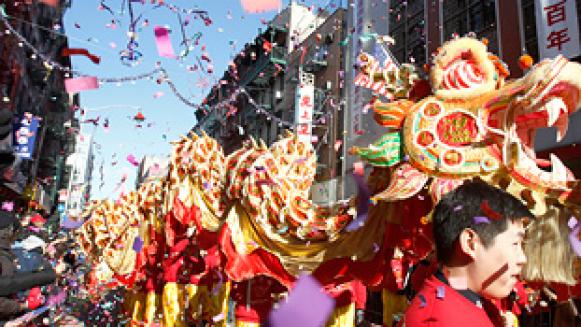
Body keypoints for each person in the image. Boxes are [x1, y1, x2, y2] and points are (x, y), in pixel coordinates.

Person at [402, 179, 533, 326]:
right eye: (515, 244)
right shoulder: (440, 320)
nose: (523, 259)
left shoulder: (463, 295)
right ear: (470, 243)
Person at [0, 210, 57, 322]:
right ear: (10, 231)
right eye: (16, 234)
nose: (16, 239)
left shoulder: (7, 253)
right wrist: (23, 306)